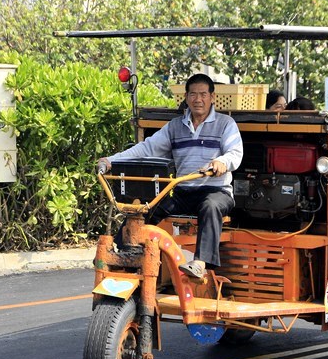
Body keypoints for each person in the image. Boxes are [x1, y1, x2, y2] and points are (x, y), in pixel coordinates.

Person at [97, 73, 243, 278]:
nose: (198, 99)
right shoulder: (175, 126)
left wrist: (222, 162)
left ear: (212, 97)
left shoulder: (225, 124)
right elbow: (146, 148)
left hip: (216, 191)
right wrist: (112, 160)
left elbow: (235, 153)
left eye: (203, 94)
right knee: (147, 206)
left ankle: (200, 263)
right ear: (186, 96)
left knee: (210, 206)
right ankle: (121, 253)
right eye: (193, 94)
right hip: (183, 191)